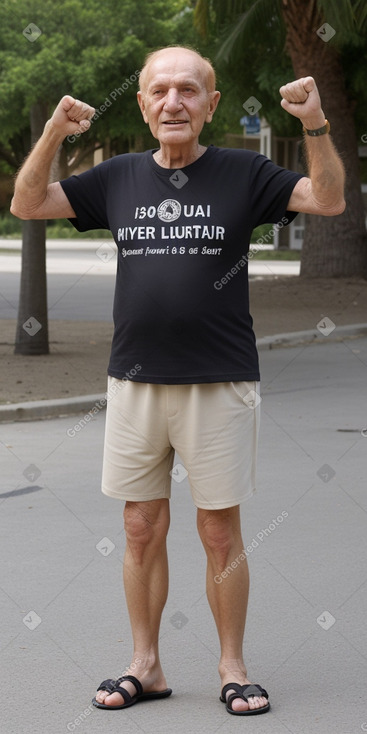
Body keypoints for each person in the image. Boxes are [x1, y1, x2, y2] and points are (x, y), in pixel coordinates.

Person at [11, 45, 345, 716]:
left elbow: (328, 200)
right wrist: (53, 132)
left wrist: (314, 122)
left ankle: (231, 665)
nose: (173, 102)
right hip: (134, 381)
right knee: (139, 525)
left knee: (219, 530)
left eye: (188, 91)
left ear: (210, 104)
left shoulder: (244, 172)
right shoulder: (119, 178)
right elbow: (28, 203)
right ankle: (147, 664)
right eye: (159, 91)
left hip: (219, 380)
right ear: (142, 104)